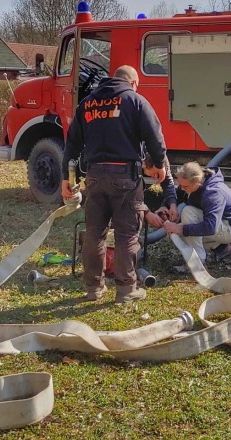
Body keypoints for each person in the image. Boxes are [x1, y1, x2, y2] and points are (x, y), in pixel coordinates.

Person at [61, 65, 166, 304]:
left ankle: (93, 288)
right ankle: (126, 289)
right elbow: (155, 136)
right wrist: (159, 163)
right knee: (127, 233)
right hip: (125, 177)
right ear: (133, 83)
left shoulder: (87, 103)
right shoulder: (135, 100)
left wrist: (66, 179)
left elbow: (72, 145)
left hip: (94, 176)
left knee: (94, 233)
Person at [162, 161, 231, 273]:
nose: (182, 188)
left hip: (229, 228)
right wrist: (170, 205)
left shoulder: (213, 193)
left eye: (185, 186)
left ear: (197, 182)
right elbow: (178, 193)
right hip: (219, 223)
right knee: (181, 231)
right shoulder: (196, 182)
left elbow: (210, 227)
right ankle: (220, 247)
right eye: (181, 185)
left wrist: (181, 229)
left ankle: (198, 263)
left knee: (187, 215)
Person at [140, 152, 179, 228]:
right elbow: (131, 196)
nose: (155, 178)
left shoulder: (162, 161)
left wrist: (172, 205)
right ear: (143, 165)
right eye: (156, 174)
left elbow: (168, 185)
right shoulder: (134, 162)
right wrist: (146, 212)